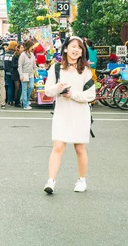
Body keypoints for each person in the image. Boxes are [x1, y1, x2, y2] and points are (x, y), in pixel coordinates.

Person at [43, 36, 96, 194]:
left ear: (82, 52)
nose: (76, 50)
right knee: (58, 146)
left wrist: (72, 94)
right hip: (62, 113)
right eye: (73, 46)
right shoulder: (56, 69)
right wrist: (58, 88)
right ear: (65, 48)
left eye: (79, 48)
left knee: (80, 148)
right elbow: (47, 91)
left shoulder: (85, 71)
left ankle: (82, 180)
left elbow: (91, 95)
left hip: (80, 113)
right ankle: (50, 181)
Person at [19, 40, 36, 110]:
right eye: (32, 46)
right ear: (29, 46)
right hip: (24, 73)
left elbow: (34, 65)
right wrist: (21, 75)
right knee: (24, 89)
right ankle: (25, 104)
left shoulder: (32, 54)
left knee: (31, 87)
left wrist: (36, 72)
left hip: (31, 73)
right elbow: (20, 66)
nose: (33, 47)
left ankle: (25, 99)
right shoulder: (22, 55)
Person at [3, 41, 17, 106]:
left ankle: (7, 100)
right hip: (12, 72)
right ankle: (10, 100)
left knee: (8, 86)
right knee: (12, 86)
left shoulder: (5, 53)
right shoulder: (14, 54)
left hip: (6, 71)